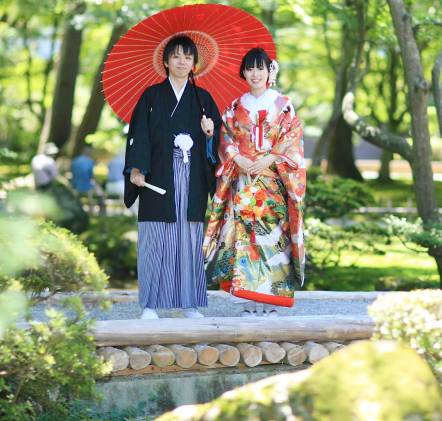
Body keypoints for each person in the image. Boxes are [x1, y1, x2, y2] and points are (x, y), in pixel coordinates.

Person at [123, 35, 221, 320]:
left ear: (194, 64)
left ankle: (187, 303)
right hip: (158, 174)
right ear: (165, 61)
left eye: (187, 57)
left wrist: (209, 133)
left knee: (188, 237)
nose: (181, 62)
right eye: (176, 56)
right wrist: (137, 168)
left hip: (192, 175)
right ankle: (150, 305)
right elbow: (139, 133)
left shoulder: (203, 99)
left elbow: (217, 142)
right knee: (155, 237)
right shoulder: (152, 95)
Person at [203, 48, 306, 317]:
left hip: (272, 182)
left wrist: (270, 158)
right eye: (249, 69)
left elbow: (292, 136)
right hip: (243, 181)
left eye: (260, 68)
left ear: (270, 71)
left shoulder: (283, 104)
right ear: (243, 73)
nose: (255, 74)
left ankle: (271, 302)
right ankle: (247, 302)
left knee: (273, 239)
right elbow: (225, 138)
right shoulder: (234, 107)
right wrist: (237, 157)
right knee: (244, 237)